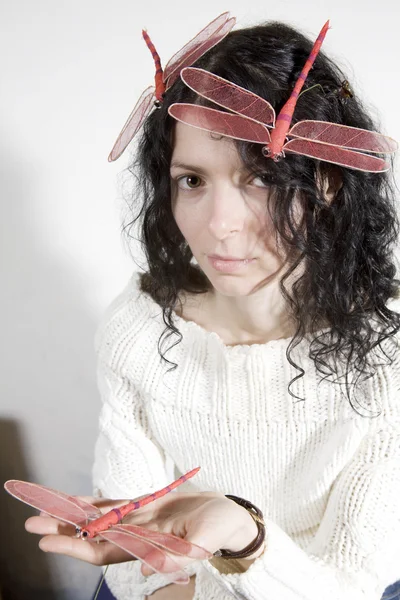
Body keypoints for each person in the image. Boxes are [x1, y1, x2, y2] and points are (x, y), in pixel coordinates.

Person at [25, 14, 400, 600]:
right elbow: (127, 546)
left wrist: (244, 536)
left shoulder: (388, 359)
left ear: (326, 182)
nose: (219, 227)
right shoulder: (140, 331)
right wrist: (170, 587)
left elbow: (350, 582)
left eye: (260, 179)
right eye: (192, 180)